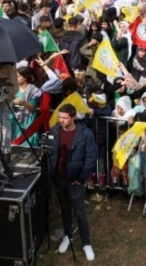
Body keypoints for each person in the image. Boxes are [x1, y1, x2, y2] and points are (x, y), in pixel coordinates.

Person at [47, 104, 97, 262]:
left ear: (73, 117)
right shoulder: (54, 131)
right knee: (65, 210)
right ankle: (68, 236)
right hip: (59, 179)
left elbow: (90, 158)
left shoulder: (85, 134)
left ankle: (86, 243)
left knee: (80, 213)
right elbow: (50, 154)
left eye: (65, 118)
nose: (61, 120)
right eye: (60, 117)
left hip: (75, 181)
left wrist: (81, 178)